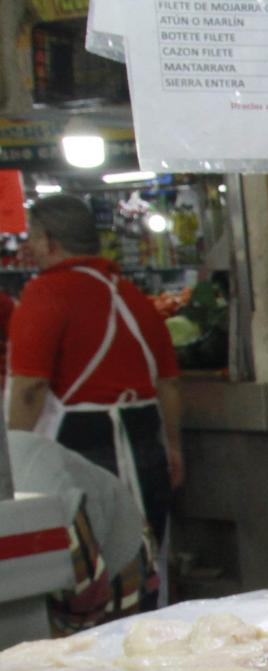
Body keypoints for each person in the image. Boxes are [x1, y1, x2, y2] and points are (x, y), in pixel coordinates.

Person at [6, 192, 182, 606]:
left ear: (49, 241)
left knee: (90, 568)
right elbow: (170, 384)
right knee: (145, 554)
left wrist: (12, 457)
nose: (27, 246)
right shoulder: (133, 296)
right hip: (145, 445)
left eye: (30, 237)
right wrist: (173, 447)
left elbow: (30, 387)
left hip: (81, 446)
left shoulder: (46, 293)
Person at [8, 427, 151, 633]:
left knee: (111, 650)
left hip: (111, 551)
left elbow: (87, 603)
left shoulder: (39, 504)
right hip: (34, 574)